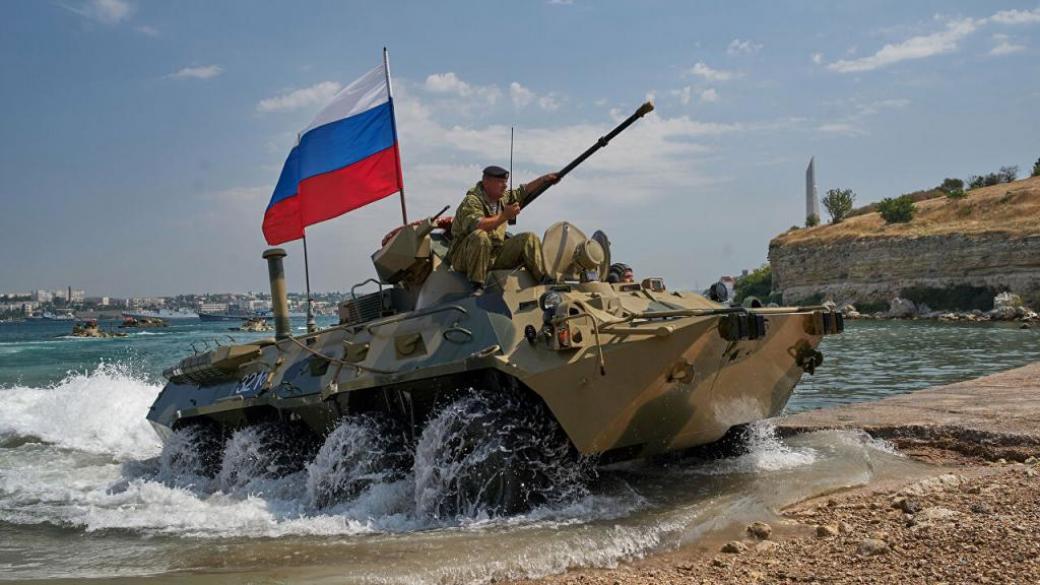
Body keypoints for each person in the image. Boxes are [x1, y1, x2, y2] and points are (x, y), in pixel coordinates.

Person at [449, 165, 559, 290]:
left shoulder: (502, 199)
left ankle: (545, 280)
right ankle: (477, 284)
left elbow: (524, 190)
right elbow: (479, 225)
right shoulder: (472, 201)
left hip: (494, 253)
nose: (505, 186)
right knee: (480, 236)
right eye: (500, 182)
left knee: (528, 238)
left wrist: (544, 179)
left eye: (505, 182)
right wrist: (504, 216)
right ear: (486, 182)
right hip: (465, 257)